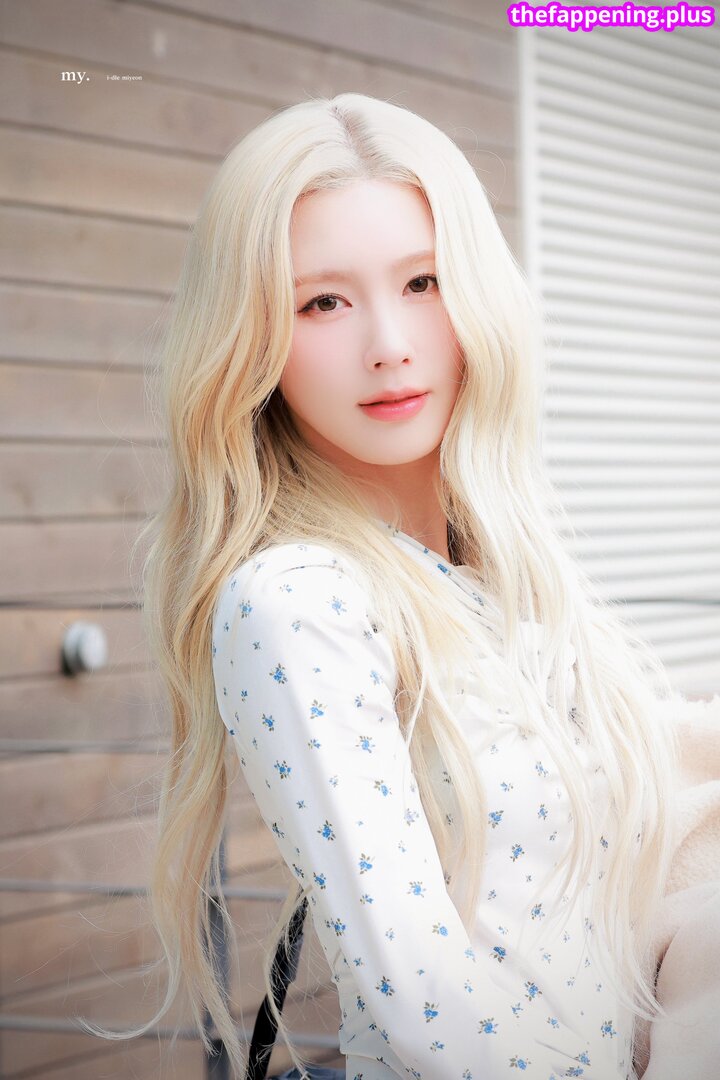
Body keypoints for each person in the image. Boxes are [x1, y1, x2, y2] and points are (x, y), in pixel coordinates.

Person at [81, 94, 687, 1078]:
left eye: (422, 281)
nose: (389, 342)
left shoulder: (490, 571)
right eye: (323, 302)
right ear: (254, 338)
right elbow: (431, 1019)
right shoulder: (297, 601)